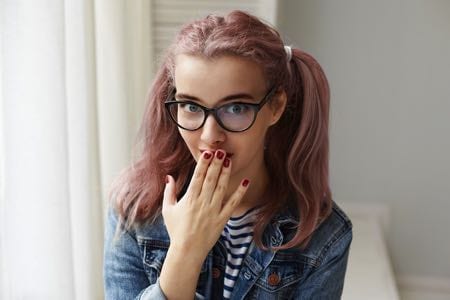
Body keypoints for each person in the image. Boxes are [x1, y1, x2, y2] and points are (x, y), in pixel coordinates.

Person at [103, 10, 352, 300]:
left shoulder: (325, 235)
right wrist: (185, 253)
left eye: (235, 108)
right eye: (192, 107)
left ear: (275, 106)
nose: (210, 136)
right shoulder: (134, 211)